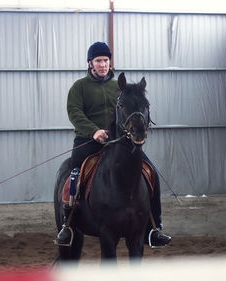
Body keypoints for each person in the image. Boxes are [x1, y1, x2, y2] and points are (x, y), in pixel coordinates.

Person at [55, 41, 172, 248]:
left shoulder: (120, 88)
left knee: (150, 172)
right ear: (90, 63)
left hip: (119, 142)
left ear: (110, 63)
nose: (103, 64)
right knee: (74, 174)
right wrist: (94, 131)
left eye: (106, 61)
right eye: (99, 61)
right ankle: (68, 224)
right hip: (88, 141)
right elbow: (75, 113)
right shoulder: (79, 87)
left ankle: (154, 227)